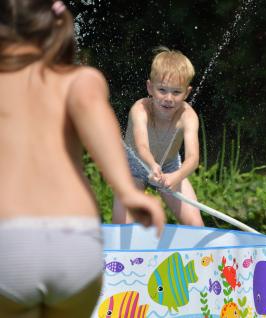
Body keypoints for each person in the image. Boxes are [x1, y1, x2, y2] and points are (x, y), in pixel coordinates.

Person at [0, 1, 165, 317]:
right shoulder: (80, 80)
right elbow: (98, 125)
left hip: (8, 242)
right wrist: (127, 191)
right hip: (75, 242)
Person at [112, 47, 204, 227]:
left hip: (170, 167)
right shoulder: (140, 109)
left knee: (195, 223)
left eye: (177, 92)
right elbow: (141, 146)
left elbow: (193, 159)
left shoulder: (188, 115)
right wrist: (152, 165)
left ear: (187, 92)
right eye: (162, 90)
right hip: (134, 166)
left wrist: (175, 177)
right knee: (121, 229)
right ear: (150, 88)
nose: (168, 98)